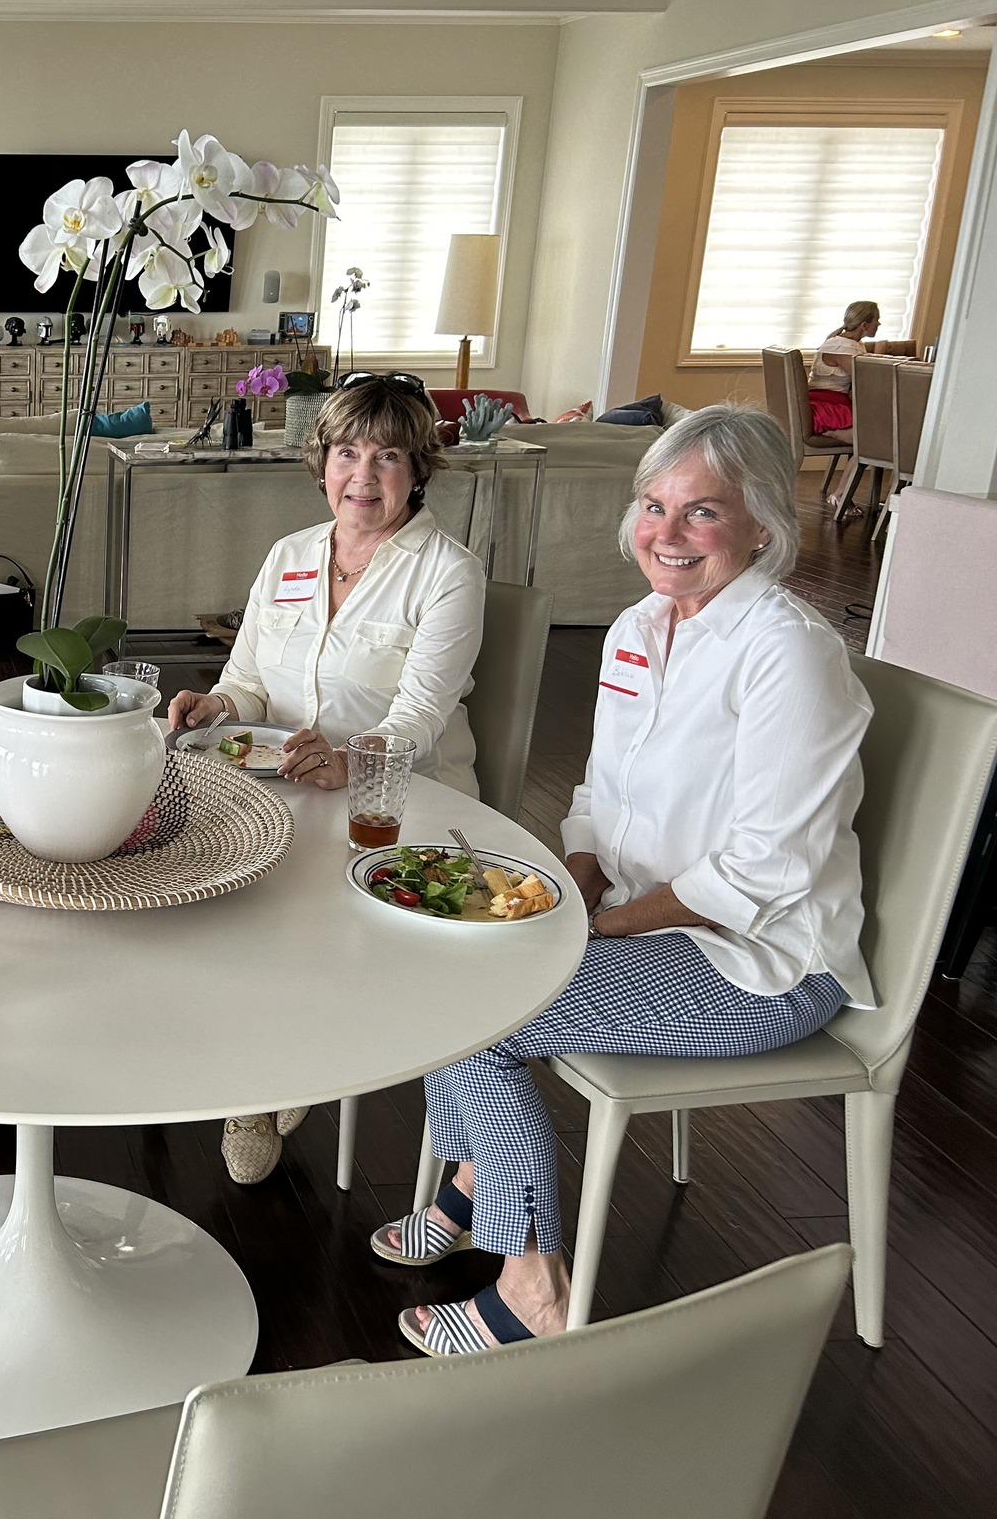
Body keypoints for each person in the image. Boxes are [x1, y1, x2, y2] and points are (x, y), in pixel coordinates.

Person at [373, 405, 872, 1357]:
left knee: (479, 1008)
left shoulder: (789, 651)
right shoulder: (639, 627)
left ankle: (533, 1285)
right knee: (449, 951)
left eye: (703, 512)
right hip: (643, 920)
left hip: (760, 962)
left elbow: (766, 869)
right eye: (654, 505)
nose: (667, 533)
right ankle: (477, 1179)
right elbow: (599, 795)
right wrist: (567, 890)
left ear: (763, 524)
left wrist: (596, 929)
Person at [165, 374, 488, 1186]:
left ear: (419, 469)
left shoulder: (448, 573)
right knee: (214, 899)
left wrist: (352, 761)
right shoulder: (291, 555)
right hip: (277, 784)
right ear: (322, 462)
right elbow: (248, 682)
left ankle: (269, 1079)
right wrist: (215, 705)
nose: (363, 476)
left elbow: (419, 714)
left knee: (287, 911)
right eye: (347, 453)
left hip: (397, 803)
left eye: (388, 457)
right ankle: (270, 1068)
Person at [808, 300, 880, 508]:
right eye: (876, 320)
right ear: (864, 325)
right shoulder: (843, 348)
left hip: (828, 405)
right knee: (869, 442)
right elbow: (865, 380)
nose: (879, 324)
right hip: (827, 408)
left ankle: (841, 495)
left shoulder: (842, 341)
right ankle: (840, 496)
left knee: (872, 437)